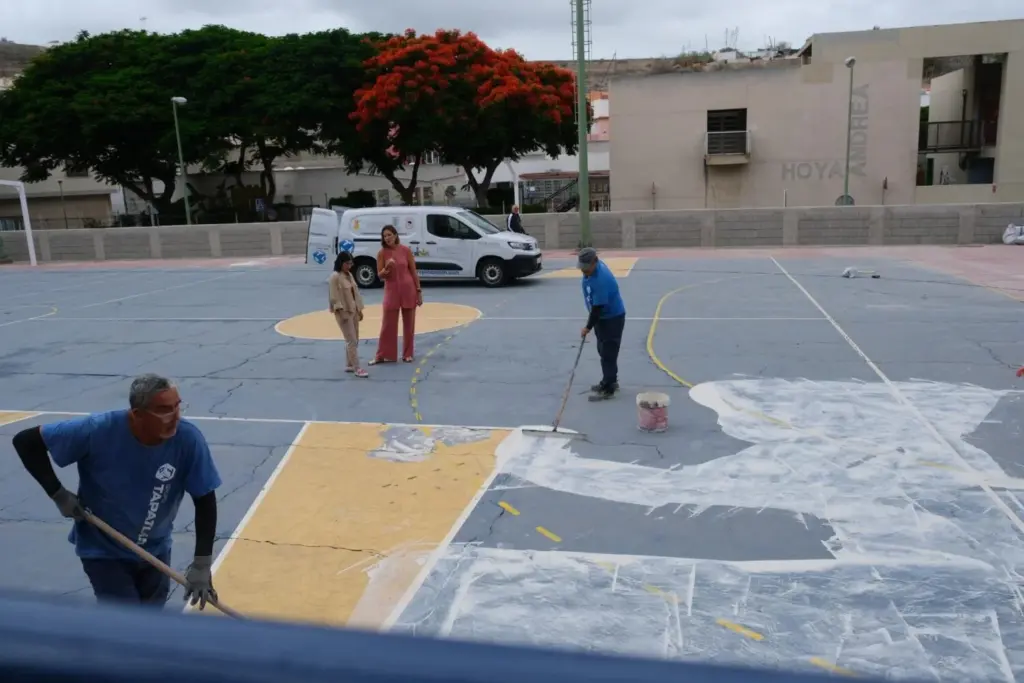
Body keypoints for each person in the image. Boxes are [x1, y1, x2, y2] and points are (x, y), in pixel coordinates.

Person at [11, 374, 222, 609]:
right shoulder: (98, 430)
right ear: (137, 414)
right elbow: (26, 441)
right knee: (127, 622)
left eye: (177, 406)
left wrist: (202, 564)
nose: (175, 417)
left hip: (156, 548)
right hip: (104, 549)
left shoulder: (188, 439)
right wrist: (58, 494)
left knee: (152, 623)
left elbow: (205, 499)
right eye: (163, 410)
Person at [578, 247, 627, 400]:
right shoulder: (592, 270)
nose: (584, 271)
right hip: (602, 318)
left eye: (587, 267)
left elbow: (597, 309)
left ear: (595, 262)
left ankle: (609, 387)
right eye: (582, 267)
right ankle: (610, 379)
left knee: (608, 354)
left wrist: (587, 327)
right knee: (603, 350)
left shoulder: (600, 280)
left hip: (611, 318)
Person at [371, 225, 422, 365]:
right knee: (388, 324)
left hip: (408, 289)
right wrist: (387, 268)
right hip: (391, 291)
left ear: (395, 235)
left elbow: (413, 271)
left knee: (409, 325)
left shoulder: (405, 250)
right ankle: (384, 354)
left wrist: (418, 291)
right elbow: (380, 275)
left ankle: (408, 354)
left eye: (389, 235)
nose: (387, 238)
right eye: (384, 236)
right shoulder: (382, 253)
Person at [329, 251, 368, 378]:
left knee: (355, 338)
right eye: (347, 263)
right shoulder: (335, 277)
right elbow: (334, 297)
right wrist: (341, 313)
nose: (349, 266)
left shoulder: (349, 275)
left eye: (351, 263)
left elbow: (355, 294)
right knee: (351, 340)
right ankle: (357, 367)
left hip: (353, 310)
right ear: (341, 263)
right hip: (344, 313)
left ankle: (350, 364)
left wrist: (359, 310)